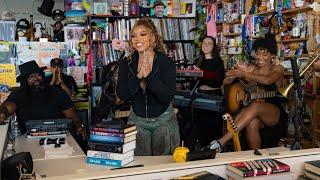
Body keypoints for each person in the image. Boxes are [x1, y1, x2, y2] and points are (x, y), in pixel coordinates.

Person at [209, 34, 287, 152]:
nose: (260, 57)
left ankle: (220, 142)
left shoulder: (278, 68)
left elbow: (267, 80)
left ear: (272, 55)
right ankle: (255, 157)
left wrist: (244, 74)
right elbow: (225, 81)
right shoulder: (251, 68)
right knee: (252, 123)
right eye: (258, 53)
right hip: (253, 112)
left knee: (255, 106)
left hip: (274, 112)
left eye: (264, 54)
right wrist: (234, 74)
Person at [117, 17, 179, 156]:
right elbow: (122, 95)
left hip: (164, 121)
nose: (137, 38)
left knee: (165, 167)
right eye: (133, 36)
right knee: (139, 168)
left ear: (152, 37)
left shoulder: (166, 62)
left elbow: (167, 96)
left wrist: (150, 77)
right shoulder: (126, 64)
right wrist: (138, 77)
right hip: (137, 121)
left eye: (143, 34)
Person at [0, 61, 86, 138]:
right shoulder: (18, 95)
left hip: (58, 138)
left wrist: (78, 125)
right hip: (28, 140)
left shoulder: (58, 93)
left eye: (38, 74)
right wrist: (2, 112)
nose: (36, 79)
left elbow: (72, 116)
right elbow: (7, 107)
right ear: (25, 81)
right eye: (31, 77)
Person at [187, 36, 225, 149]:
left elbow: (218, 78)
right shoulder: (198, 61)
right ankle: (201, 150)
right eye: (204, 43)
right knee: (198, 126)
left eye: (209, 43)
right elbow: (194, 82)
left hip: (213, 96)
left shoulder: (218, 61)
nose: (206, 45)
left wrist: (202, 73)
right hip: (199, 95)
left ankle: (213, 149)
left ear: (214, 47)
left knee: (212, 128)